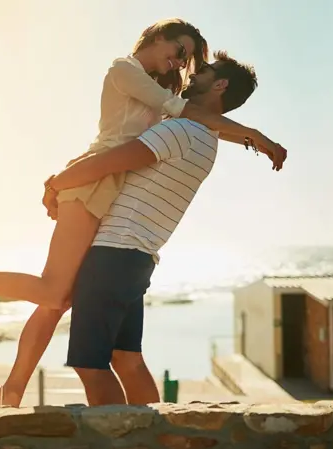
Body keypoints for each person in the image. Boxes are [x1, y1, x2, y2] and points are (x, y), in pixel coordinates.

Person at [0, 19, 284, 407]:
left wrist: (255, 138)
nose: (183, 66)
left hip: (106, 200)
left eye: (191, 62)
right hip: (95, 185)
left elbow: (200, 120)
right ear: (158, 36)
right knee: (56, 295)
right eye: (180, 53)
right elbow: (190, 119)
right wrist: (59, 183)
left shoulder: (180, 124)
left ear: (219, 86)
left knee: (57, 301)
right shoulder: (129, 74)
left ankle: (9, 388)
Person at [43, 51, 284, 405]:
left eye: (203, 70)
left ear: (219, 85)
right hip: (136, 259)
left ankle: (119, 444)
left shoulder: (181, 130)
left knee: (90, 364)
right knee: (126, 360)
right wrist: (252, 135)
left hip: (112, 254)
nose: (192, 73)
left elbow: (106, 164)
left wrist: (55, 185)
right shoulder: (206, 138)